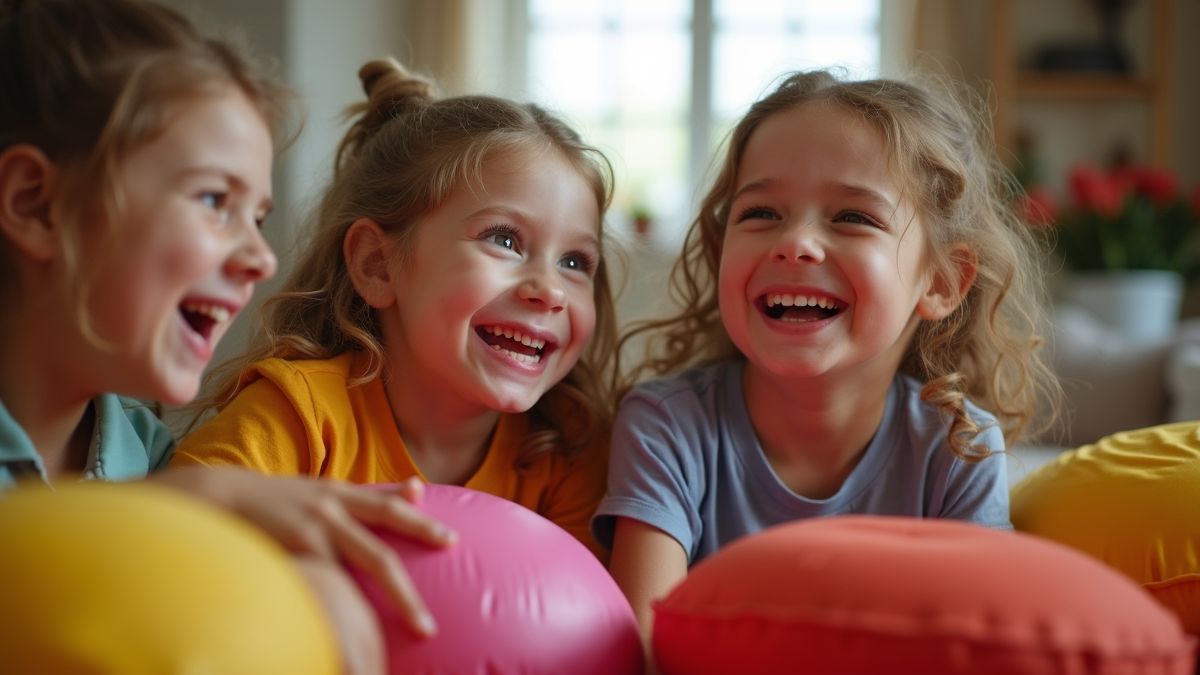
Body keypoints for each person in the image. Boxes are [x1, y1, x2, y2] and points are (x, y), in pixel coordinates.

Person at [0, 2, 450, 673]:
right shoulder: (180, 487)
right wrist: (171, 511)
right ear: (37, 203)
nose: (260, 258)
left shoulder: (150, 455)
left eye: (259, 216)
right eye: (215, 201)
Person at [593, 70, 1062, 648]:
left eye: (853, 218)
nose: (795, 242)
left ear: (940, 282)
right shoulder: (667, 426)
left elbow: (978, 648)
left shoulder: (959, 448)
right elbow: (643, 646)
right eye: (761, 213)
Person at [172, 57, 618, 561]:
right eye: (504, 239)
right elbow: (157, 531)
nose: (551, 290)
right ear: (378, 265)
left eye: (575, 261)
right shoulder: (300, 415)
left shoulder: (566, 453)